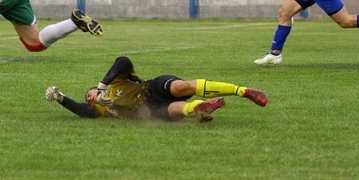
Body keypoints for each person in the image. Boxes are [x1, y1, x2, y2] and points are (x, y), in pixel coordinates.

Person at [45, 56, 267, 122]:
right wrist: (60, 97)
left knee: (183, 86)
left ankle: (243, 91)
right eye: (88, 98)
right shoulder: (100, 110)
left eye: (90, 93)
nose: (90, 97)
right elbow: (82, 111)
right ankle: (201, 108)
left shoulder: (119, 81)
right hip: (149, 112)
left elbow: (121, 60)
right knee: (177, 110)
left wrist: (102, 87)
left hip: (152, 88)